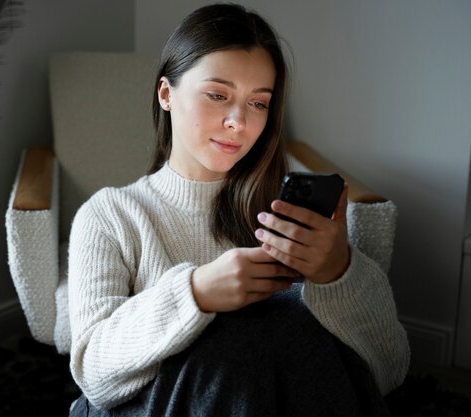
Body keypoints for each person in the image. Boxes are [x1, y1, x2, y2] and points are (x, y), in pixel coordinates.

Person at [67, 3, 410, 416]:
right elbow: (92, 376)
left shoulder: (284, 214)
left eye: (259, 103)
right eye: (217, 95)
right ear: (166, 94)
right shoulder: (110, 216)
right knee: (242, 338)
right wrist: (195, 294)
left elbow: (387, 373)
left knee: (289, 328)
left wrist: (339, 272)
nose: (239, 122)